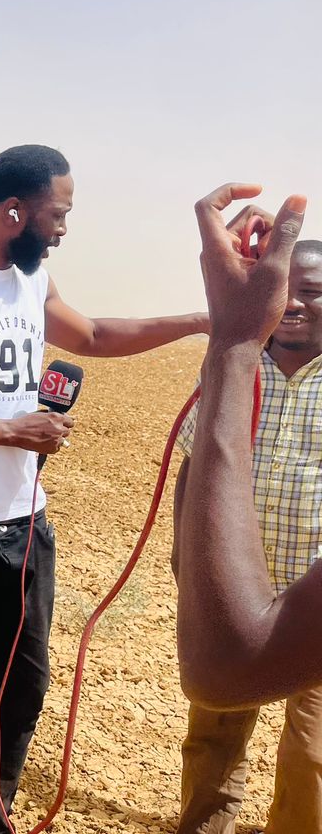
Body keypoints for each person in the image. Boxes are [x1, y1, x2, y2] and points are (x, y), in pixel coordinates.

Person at [0, 144, 210, 834]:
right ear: (14, 210)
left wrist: (204, 320)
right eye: (60, 213)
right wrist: (7, 431)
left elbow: (94, 333)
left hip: (23, 529)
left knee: (20, 692)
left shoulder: (32, 281)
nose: (64, 228)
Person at [171, 237, 322, 834]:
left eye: (312, 293)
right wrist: (189, 558)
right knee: (213, 736)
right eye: (284, 291)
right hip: (231, 596)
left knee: (312, 753)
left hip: (312, 608)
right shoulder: (234, 366)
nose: (294, 305)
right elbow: (194, 464)